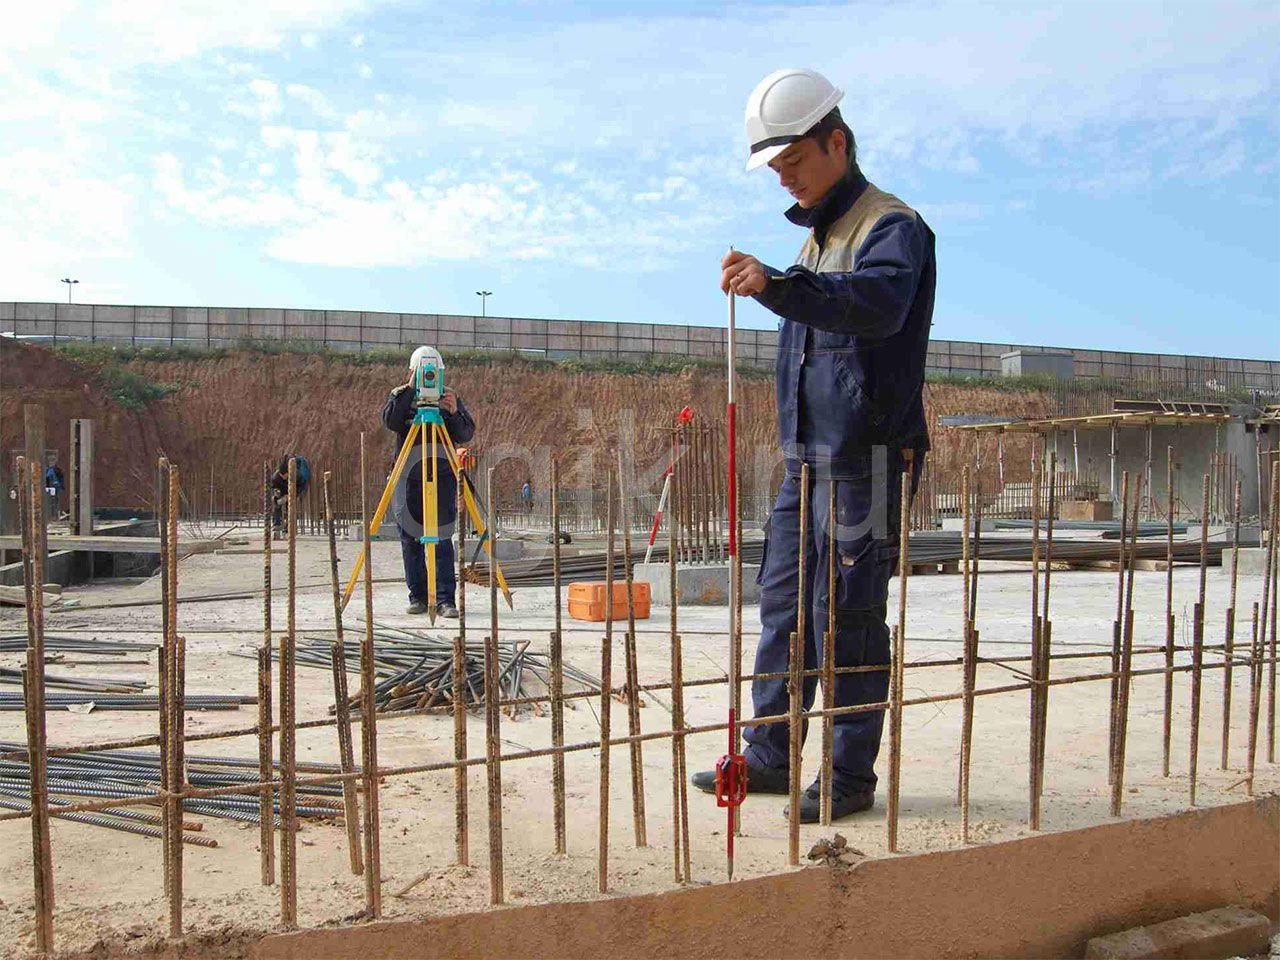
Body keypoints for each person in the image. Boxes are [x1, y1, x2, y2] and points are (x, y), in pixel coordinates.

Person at [692, 68, 935, 822]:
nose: (784, 181)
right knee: (785, 608)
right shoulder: (821, 241)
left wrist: (776, 286)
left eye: (793, 163)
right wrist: (782, 284)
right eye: (775, 169)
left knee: (849, 616)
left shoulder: (891, 229)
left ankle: (846, 777)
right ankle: (769, 753)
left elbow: (875, 307)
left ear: (836, 141)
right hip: (807, 461)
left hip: (864, 459)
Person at [383, 347, 475, 618]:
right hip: (408, 479)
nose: (429, 376)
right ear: (411, 371)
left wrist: (455, 411)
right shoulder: (401, 396)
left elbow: (466, 433)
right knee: (410, 540)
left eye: (433, 371)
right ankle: (419, 597)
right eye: (422, 371)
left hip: (441, 477)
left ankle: (445, 599)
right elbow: (391, 421)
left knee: (442, 538)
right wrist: (410, 390)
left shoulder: (448, 398)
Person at [269, 455, 311, 537]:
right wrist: (276, 493)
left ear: (289, 473)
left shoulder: (298, 476)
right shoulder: (276, 477)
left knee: (291, 507)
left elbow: (303, 486)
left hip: (293, 490)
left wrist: (290, 495)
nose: (282, 477)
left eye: (284, 475)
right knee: (277, 504)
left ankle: (289, 526)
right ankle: (277, 525)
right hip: (281, 490)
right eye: (281, 475)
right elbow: (272, 486)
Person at [43, 453, 65, 519]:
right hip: (47, 489)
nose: (52, 461)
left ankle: (55, 515)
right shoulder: (46, 470)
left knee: (55, 502)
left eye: (53, 460)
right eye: (50, 460)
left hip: (56, 488)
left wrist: (61, 486)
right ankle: (48, 516)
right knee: (47, 502)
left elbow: (61, 478)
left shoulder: (58, 470)